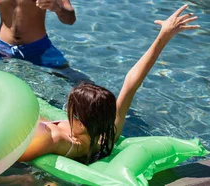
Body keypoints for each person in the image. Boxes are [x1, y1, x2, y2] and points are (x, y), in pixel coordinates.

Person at [12, 4, 198, 163]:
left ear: (82, 121)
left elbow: (7, 155)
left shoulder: (57, 139)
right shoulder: (107, 135)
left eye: (71, 110)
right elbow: (131, 82)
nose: (68, 111)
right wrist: (163, 36)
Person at [0, 0, 92, 83]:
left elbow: (71, 19)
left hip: (39, 49)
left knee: (80, 82)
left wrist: (57, 8)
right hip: (1, 47)